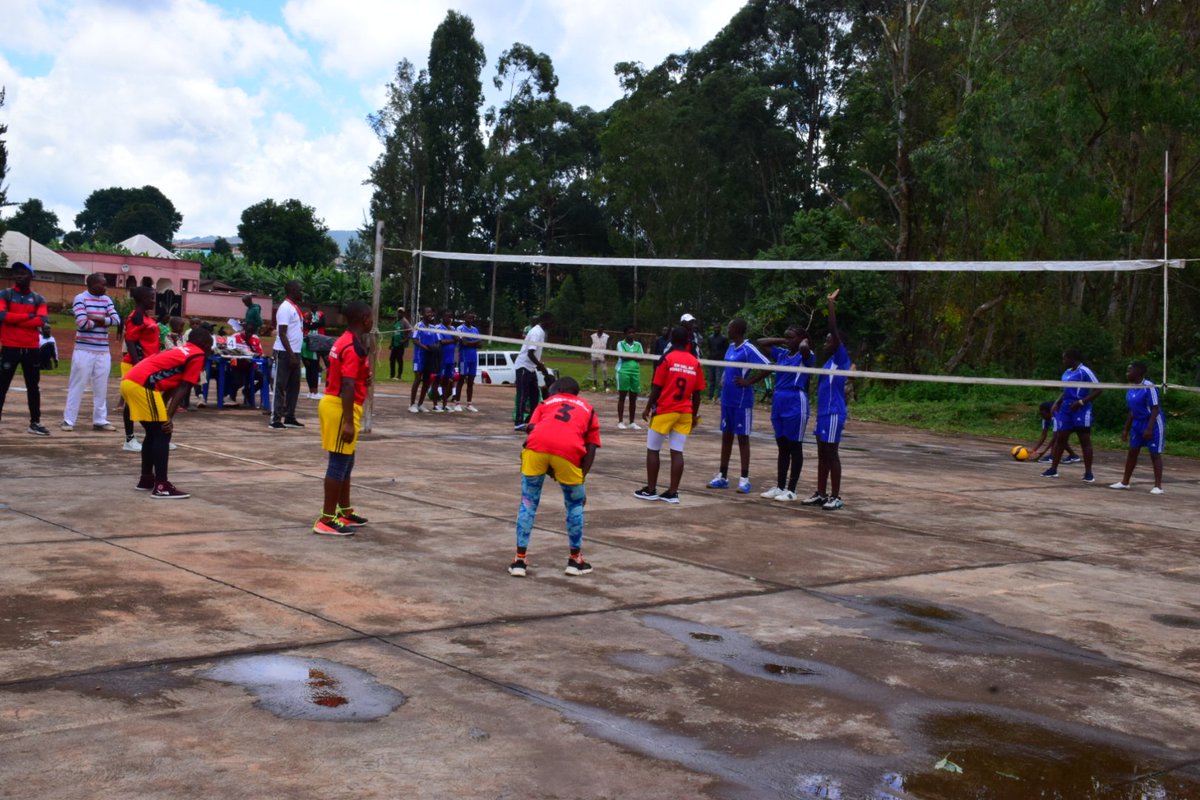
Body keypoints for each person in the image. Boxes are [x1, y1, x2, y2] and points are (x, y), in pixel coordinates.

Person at [508, 377, 601, 577]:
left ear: (558, 390)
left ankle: (519, 560)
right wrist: (580, 480)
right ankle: (575, 560)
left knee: (528, 503)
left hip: (536, 449)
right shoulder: (588, 408)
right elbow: (592, 446)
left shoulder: (545, 403)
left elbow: (532, 429)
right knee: (575, 504)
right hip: (568, 451)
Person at [120, 327, 214, 499]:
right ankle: (162, 485)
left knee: (153, 432)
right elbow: (185, 387)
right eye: (210, 346)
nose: (210, 350)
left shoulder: (181, 350)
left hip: (131, 382)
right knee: (163, 433)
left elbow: (173, 385)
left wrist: (163, 410)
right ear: (206, 344)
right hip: (142, 385)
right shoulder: (197, 355)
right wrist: (168, 417)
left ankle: (147, 479)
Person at [313, 301, 374, 536]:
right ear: (365, 319)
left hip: (343, 405)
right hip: (341, 408)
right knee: (338, 465)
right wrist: (348, 421)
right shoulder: (351, 345)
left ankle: (344, 512)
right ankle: (326, 519)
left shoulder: (347, 341)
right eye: (371, 318)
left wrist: (362, 380)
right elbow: (346, 384)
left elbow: (350, 378)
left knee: (347, 463)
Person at [634, 327, 705, 504]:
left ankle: (651, 490)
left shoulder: (667, 359)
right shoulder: (694, 362)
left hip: (665, 409)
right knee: (677, 452)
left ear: (671, 340)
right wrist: (694, 415)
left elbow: (656, 386)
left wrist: (648, 407)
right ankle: (673, 493)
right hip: (685, 412)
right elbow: (697, 394)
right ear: (688, 341)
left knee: (653, 449)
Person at [707, 318, 770, 493]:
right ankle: (723, 476)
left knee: (742, 438)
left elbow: (768, 366)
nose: (727, 329)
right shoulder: (730, 348)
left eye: (729, 327)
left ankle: (744, 479)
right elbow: (729, 368)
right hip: (727, 399)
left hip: (742, 401)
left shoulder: (748, 349)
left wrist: (749, 381)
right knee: (726, 437)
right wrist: (723, 379)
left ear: (737, 330)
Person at [755, 325, 815, 502]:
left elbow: (804, 348)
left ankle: (791, 489)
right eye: (785, 337)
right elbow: (761, 343)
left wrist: (804, 341)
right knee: (782, 446)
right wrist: (785, 340)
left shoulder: (806, 356)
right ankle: (780, 486)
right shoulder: (782, 353)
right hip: (779, 400)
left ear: (802, 339)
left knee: (794, 446)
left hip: (795, 401)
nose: (788, 340)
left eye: (792, 337)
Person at [803, 290, 851, 510]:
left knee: (832, 453)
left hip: (834, 413)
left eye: (828, 340)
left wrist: (831, 305)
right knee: (822, 453)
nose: (825, 342)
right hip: (823, 414)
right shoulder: (828, 362)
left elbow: (833, 329)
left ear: (837, 343)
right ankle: (821, 493)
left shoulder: (841, 359)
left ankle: (836, 496)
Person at [62, 272, 121, 433]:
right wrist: (103, 320)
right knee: (77, 385)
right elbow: (82, 323)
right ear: (92, 285)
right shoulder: (80, 298)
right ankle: (68, 420)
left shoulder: (107, 300)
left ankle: (100, 420)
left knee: (101, 387)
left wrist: (95, 318)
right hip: (84, 350)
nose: (105, 287)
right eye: (102, 284)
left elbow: (117, 320)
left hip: (103, 351)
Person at [0, 262, 51, 436]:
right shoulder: (5, 294)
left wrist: (15, 319)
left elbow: (41, 320)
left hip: (31, 348)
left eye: (23, 273)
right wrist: (29, 316)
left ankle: (35, 423)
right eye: (16, 273)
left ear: (31, 276)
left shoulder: (39, 299)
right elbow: (2, 316)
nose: (19, 276)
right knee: (2, 386)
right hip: (10, 347)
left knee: (33, 387)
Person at [1041, 348, 1102, 482]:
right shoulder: (1066, 373)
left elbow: (1099, 389)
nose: (1063, 361)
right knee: (1060, 438)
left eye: (1064, 358)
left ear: (1072, 359)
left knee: (1084, 440)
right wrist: (1058, 402)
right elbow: (1066, 390)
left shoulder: (1085, 371)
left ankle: (1088, 473)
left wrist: (1081, 402)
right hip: (1066, 408)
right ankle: (1053, 469)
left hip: (1081, 409)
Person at [1110, 361, 1165, 494]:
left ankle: (1158, 486)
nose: (1127, 373)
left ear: (1138, 372)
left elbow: (1155, 408)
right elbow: (1132, 410)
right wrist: (1126, 429)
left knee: (1154, 454)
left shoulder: (1149, 387)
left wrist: (1150, 428)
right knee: (1132, 452)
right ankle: (1125, 482)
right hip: (1137, 423)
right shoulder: (1131, 388)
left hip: (1153, 422)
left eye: (1130, 370)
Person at [120, 286, 161, 451]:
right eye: (151, 298)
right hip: (135, 364)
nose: (154, 301)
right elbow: (130, 341)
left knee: (149, 400)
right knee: (131, 402)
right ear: (143, 299)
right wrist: (138, 364)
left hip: (147, 364)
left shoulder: (145, 316)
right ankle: (129, 439)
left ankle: (156, 436)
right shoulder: (136, 317)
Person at [270, 280, 305, 430]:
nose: (301, 292)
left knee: (294, 387)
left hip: (295, 352)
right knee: (280, 386)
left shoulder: (294, 307)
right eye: (299, 289)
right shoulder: (285, 308)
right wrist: (291, 355)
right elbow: (282, 334)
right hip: (285, 352)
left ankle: (290, 417)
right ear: (292, 290)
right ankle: (275, 419)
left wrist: (295, 354)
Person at [513, 312, 553, 429]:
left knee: (535, 394)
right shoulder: (536, 332)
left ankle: (532, 419)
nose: (552, 325)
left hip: (530, 368)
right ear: (545, 321)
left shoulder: (541, 332)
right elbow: (530, 353)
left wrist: (539, 366)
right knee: (523, 394)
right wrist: (541, 366)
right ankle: (518, 423)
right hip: (524, 366)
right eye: (551, 323)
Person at [409, 307, 441, 413]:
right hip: (419, 357)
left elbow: (438, 341)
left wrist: (434, 347)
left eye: (431, 312)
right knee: (418, 379)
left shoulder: (433, 327)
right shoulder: (418, 326)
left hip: (430, 357)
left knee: (427, 381)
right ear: (422, 314)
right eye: (427, 312)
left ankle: (420, 404)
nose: (430, 314)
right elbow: (414, 340)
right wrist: (425, 347)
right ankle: (412, 404)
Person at [227, 323, 265, 408]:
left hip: (251, 366)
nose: (249, 334)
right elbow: (228, 351)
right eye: (247, 331)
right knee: (238, 380)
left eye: (251, 332)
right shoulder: (235, 336)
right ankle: (231, 398)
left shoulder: (255, 338)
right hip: (236, 365)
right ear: (243, 330)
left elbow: (260, 353)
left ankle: (248, 391)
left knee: (263, 378)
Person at [615, 326, 644, 430]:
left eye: (633, 333)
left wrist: (630, 355)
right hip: (623, 371)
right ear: (625, 334)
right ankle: (620, 421)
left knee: (633, 398)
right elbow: (622, 356)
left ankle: (632, 422)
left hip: (635, 372)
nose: (631, 334)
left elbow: (642, 358)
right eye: (629, 332)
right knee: (622, 396)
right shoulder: (620, 343)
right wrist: (635, 356)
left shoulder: (638, 344)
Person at [454, 311, 481, 412]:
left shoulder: (475, 330)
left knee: (471, 380)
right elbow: (464, 343)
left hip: (473, 358)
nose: (471, 320)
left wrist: (471, 342)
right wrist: (475, 342)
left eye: (472, 318)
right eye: (469, 318)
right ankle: (457, 402)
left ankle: (469, 404)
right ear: (465, 318)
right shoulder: (460, 329)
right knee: (461, 379)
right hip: (464, 358)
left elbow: (480, 344)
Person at [435, 309, 458, 412]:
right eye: (447, 317)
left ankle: (445, 404)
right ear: (442, 317)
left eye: (450, 317)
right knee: (437, 380)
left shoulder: (453, 328)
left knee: (447, 382)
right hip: (441, 359)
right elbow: (441, 342)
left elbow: (458, 339)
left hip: (450, 359)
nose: (449, 319)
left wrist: (451, 331)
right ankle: (435, 404)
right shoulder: (438, 328)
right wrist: (453, 340)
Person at [301, 304, 323, 401]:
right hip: (311, 343)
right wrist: (313, 325)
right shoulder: (307, 315)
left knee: (311, 368)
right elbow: (307, 325)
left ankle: (311, 392)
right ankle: (314, 392)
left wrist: (311, 325)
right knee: (312, 367)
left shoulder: (319, 315)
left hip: (307, 342)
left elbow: (321, 324)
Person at [705, 323, 728, 402]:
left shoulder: (724, 338)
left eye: (718, 328)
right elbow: (709, 348)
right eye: (715, 328)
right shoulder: (710, 338)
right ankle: (710, 396)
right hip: (712, 360)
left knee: (719, 379)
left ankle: (719, 396)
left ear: (720, 329)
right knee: (712, 379)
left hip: (720, 361)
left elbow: (726, 349)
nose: (716, 329)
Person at [389, 308, 411, 381]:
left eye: (401, 313)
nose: (399, 314)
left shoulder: (405, 321)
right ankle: (392, 375)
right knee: (392, 359)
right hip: (394, 344)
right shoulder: (396, 321)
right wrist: (391, 344)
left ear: (403, 314)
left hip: (400, 344)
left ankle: (399, 376)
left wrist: (405, 340)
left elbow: (410, 331)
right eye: (398, 312)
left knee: (399, 359)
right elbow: (394, 333)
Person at [589, 326, 610, 391]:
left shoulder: (606, 336)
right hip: (594, 355)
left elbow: (608, 345)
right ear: (597, 329)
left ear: (603, 330)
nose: (600, 329)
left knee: (604, 370)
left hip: (602, 356)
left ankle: (606, 386)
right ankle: (594, 385)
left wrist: (606, 353)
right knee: (594, 370)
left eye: (601, 328)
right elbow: (592, 344)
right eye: (599, 328)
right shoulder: (593, 336)